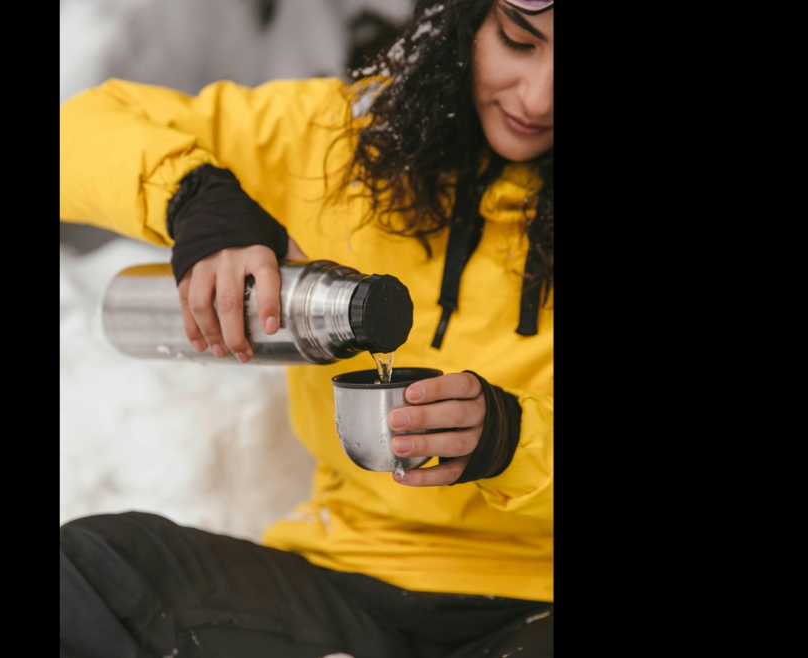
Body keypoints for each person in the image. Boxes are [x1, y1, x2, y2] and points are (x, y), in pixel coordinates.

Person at [59, 1, 553, 656]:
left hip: (537, 602)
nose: (539, 97)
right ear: (464, 24)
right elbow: (78, 131)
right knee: (91, 574)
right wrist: (195, 194)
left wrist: (512, 439)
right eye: (519, 41)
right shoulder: (338, 142)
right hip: (343, 581)